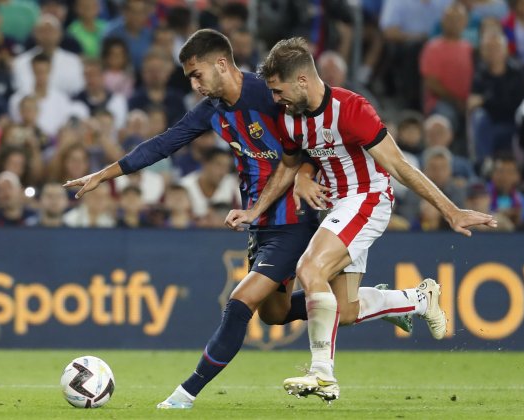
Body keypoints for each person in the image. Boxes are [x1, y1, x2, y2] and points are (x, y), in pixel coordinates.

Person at [64, 29, 414, 410]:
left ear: (221, 63)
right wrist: (103, 174)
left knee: (239, 303)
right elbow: (164, 143)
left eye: (197, 75)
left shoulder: (269, 95)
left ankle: (185, 394)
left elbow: (312, 139)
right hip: (260, 222)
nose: (194, 84)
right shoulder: (214, 110)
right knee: (275, 313)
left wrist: (304, 176)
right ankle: (394, 301)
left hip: (295, 220)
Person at [226, 37, 497, 402]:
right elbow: (290, 166)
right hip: (337, 207)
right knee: (346, 311)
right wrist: (256, 210)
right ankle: (419, 299)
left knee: (310, 268)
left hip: (367, 199)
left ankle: (322, 373)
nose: (275, 99)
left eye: (278, 90)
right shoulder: (292, 118)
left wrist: (450, 210)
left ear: (303, 80)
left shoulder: (351, 109)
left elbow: (399, 166)